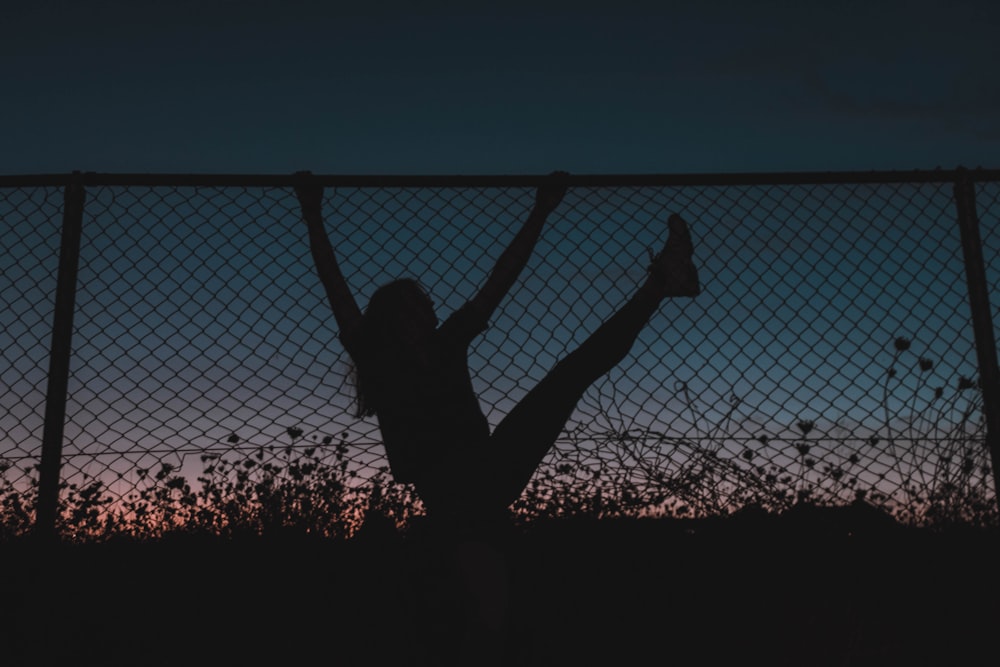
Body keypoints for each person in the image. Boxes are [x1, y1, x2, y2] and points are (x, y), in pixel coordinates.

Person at [295, 171, 698, 663]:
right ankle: (664, 282)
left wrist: (541, 210)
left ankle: (663, 283)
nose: (432, 309)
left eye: (428, 303)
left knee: (570, 375)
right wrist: (312, 212)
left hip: (487, 470)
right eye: (420, 304)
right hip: (454, 500)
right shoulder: (379, 359)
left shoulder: (447, 344)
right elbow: (333, 283)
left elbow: (502, 276)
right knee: (487, 611)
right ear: (397, 316)